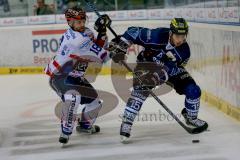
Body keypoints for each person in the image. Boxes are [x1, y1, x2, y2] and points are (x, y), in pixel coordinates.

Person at [108, 18, 208, 142]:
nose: (180, 40)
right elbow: (133, 31)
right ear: (171, 33)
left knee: (194, 91)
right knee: (140, 92)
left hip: (169, 70)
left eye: (183, 36)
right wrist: (121, 46)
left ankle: (191, 118)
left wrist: (155, 78)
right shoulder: (157, 35)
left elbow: (170, 69)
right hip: (146, 64)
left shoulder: (184, 51)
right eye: (177, 36)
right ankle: (127, 123)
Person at [44, 6, 112, 144]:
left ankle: (85, 125)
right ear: (70, 23)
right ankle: (66, 131)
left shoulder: (86, 33)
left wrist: (102, 31)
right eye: (78, 22)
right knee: (73, 97)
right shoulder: (76, 40)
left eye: (83, 21)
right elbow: (103, 56)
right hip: (59, 76)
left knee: (95, 103)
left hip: (75, 77)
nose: (81, 25)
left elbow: (97, 46)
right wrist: (117, 48)